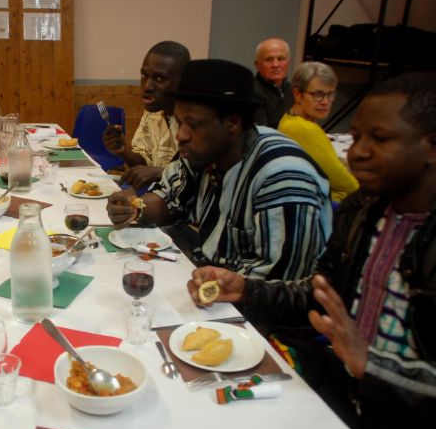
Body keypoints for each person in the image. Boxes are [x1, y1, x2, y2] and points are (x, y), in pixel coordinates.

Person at [188, 72, 436, 429]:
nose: (357, 153)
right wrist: (246, 288)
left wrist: (373, 364)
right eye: (356, 138)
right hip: (346, 389)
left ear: (431, 147)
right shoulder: (362, 211)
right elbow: (318, 292)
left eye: (380, 139)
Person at [107, 59, 332, 280]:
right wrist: (134, 207)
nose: (181, 135)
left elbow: (277, 285)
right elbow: (169, 199)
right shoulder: (204, 151)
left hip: (253, 297)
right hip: (211, 274)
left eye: (193, 125)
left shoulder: (282, 179)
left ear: (232, 123)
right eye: (179, 122)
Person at [102, 41, 190, 190]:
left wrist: (159, 173)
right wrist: (124, 152)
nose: (147, 86)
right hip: (158, 195)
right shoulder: (153, 112)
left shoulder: (194, 122)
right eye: (144, 75)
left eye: (160, 79)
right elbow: (143, 164)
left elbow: (197, 177)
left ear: (182, 82)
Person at [278, 62, 358, 203]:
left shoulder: (288, 118)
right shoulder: (306, 129)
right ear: (297, 94)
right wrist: (365, 192)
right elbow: (341, 180)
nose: (325, 102)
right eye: (318, 95)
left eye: (330, 94)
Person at [252, 38, 294, 128]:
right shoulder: (252, 91)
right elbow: (262, 132)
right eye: (269, 59)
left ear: (288, 62)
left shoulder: (293, 89)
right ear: (257, 65)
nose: (275, 65)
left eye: (281, 59)